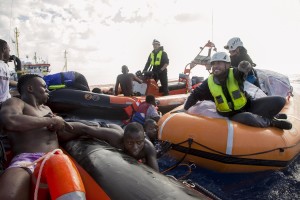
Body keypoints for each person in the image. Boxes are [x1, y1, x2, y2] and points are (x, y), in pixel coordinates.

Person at [0, 74, 87, 199]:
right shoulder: (16, 102)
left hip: (56, 158)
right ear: (30, 88)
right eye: (44, 87)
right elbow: (11, 120)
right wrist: (50, 121)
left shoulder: (47, 109)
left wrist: (87, 129)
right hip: (26, 161)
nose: (48, 90)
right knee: (9, 194)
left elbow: (59, 135)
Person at [183, 52, 292, 130]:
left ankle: (274, 115)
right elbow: (195, 94)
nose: (216, 66)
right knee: (248, 117)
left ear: (227, 65)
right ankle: (271, 122)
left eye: (219, 63)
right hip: (232, 114)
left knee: (280, 101)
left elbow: (241, 72)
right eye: (214, 64)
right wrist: (185, 109)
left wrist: (245, 67)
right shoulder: (208, 83)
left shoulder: (234, 73)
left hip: (249, 105)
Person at [77, 121, 159, 171]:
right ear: (124, 140)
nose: (135, 147)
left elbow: (156, 174)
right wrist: (67, 126)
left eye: (139, 143)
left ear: (144, 139)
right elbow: (85, 129)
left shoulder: (148, 148)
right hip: (108, 127)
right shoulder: (116, 138)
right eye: (130, 143)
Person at [0, 39, 18, 106]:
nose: (9, 53)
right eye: (9, 50)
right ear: (4, 49)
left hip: (6, 101)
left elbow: (7, 81)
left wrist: (21, 84)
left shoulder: (4, 65)